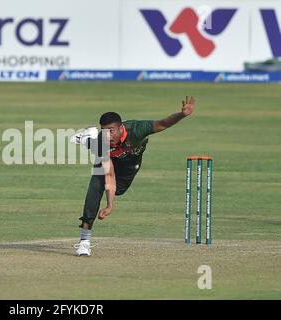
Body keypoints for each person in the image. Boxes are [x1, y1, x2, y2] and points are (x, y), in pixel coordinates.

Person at [70, 96, 196, 256]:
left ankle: (88, 138)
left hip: (130, 165)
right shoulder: (104, 143)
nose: (108, 135)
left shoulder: (137, 129)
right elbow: (109, 174)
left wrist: (182, 114)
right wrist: (110, 205)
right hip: (109, 163)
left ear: (121, 127)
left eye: (111, 131)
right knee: (97, 185)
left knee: (119, 190)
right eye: (104, 131)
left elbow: (163, 123)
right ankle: (84, 241)